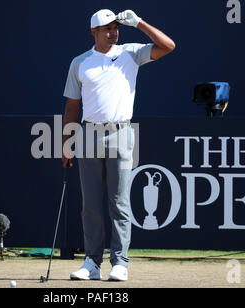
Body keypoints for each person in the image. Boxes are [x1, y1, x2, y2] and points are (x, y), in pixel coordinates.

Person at [62, 9, 175, 281]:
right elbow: (72, 104)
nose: (112, 32)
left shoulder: (131, 53)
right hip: (89, 134)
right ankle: (91, 262)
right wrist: (66, 141)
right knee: (90, 203)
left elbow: (168, 46)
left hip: (122, 133)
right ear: (93, 32)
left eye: (115, 27)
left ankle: (120, 262)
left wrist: (139, 23)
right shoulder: (80, 62)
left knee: (119, 202)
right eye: (106, 29)